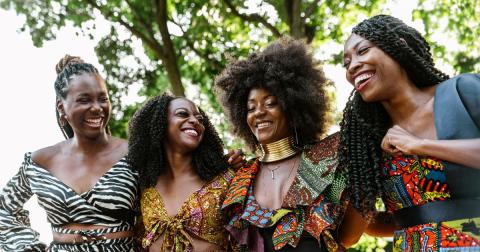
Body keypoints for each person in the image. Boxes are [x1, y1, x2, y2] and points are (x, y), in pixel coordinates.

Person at [341, 14, 480, 251]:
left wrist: (419, 145)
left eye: (363, 51)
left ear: (399, 45)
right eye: (346, 62)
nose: (353, 65)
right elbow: (352, 235)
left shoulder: (461, 91)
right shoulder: (368, 143)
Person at [215, 38, 361, 251]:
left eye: (270, 103)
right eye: (250, 108)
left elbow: (350, 236)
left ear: (292, 107)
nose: (259, 112)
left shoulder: (328, 160)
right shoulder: (240, 179)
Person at [0, 55, 138, 251]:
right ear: (62, 108)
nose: (97, 108)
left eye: (103, 99)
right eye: (84, 100)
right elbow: (4, 208)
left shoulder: (135, 155)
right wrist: (27, 247)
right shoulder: (39, 162)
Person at [128, 93, 244, 251]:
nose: (195, 121)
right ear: (160, 122)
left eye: (200, 119)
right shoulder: (144, 186)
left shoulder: (225, 179)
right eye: (182, 114)